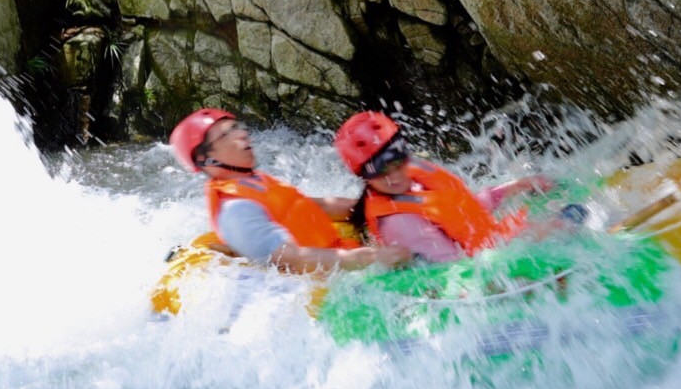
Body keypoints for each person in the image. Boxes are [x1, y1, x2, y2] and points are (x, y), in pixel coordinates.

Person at [169, 108, 409, 274]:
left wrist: (381, 206)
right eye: (227, 133)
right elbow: (291, 260)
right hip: (311, 287)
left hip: (334, 249)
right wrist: (373, 258)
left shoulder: (254, 181)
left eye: (237, 127)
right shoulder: (236, 210)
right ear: (205, 158)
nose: (242, 133)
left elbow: (315, 207)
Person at [333, 111, 560, 263]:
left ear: (404, 151)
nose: (393, 176)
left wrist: (514, 187)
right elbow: (456, 268)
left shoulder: (415, 178)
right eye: (378, 171)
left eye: (396, 160)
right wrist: (531, 239)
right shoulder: (399, 222)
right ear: (363, 176)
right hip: (474, 272)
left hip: (486, 245)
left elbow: (461, 207)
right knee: (564, 225)